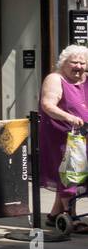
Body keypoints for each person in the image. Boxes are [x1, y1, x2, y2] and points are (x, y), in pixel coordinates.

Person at [40, 44, 88, 232]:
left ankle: (54, 216)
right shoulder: (55, 79)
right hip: (61, 133)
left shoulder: (85, 79)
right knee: (70, 173)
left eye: (82, 63)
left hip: (82, 134)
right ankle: (71, 216)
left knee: (73, 173)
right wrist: (69, 117)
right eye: (74, 62)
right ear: (63, 63)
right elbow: (47, 104)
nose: (78, 66)